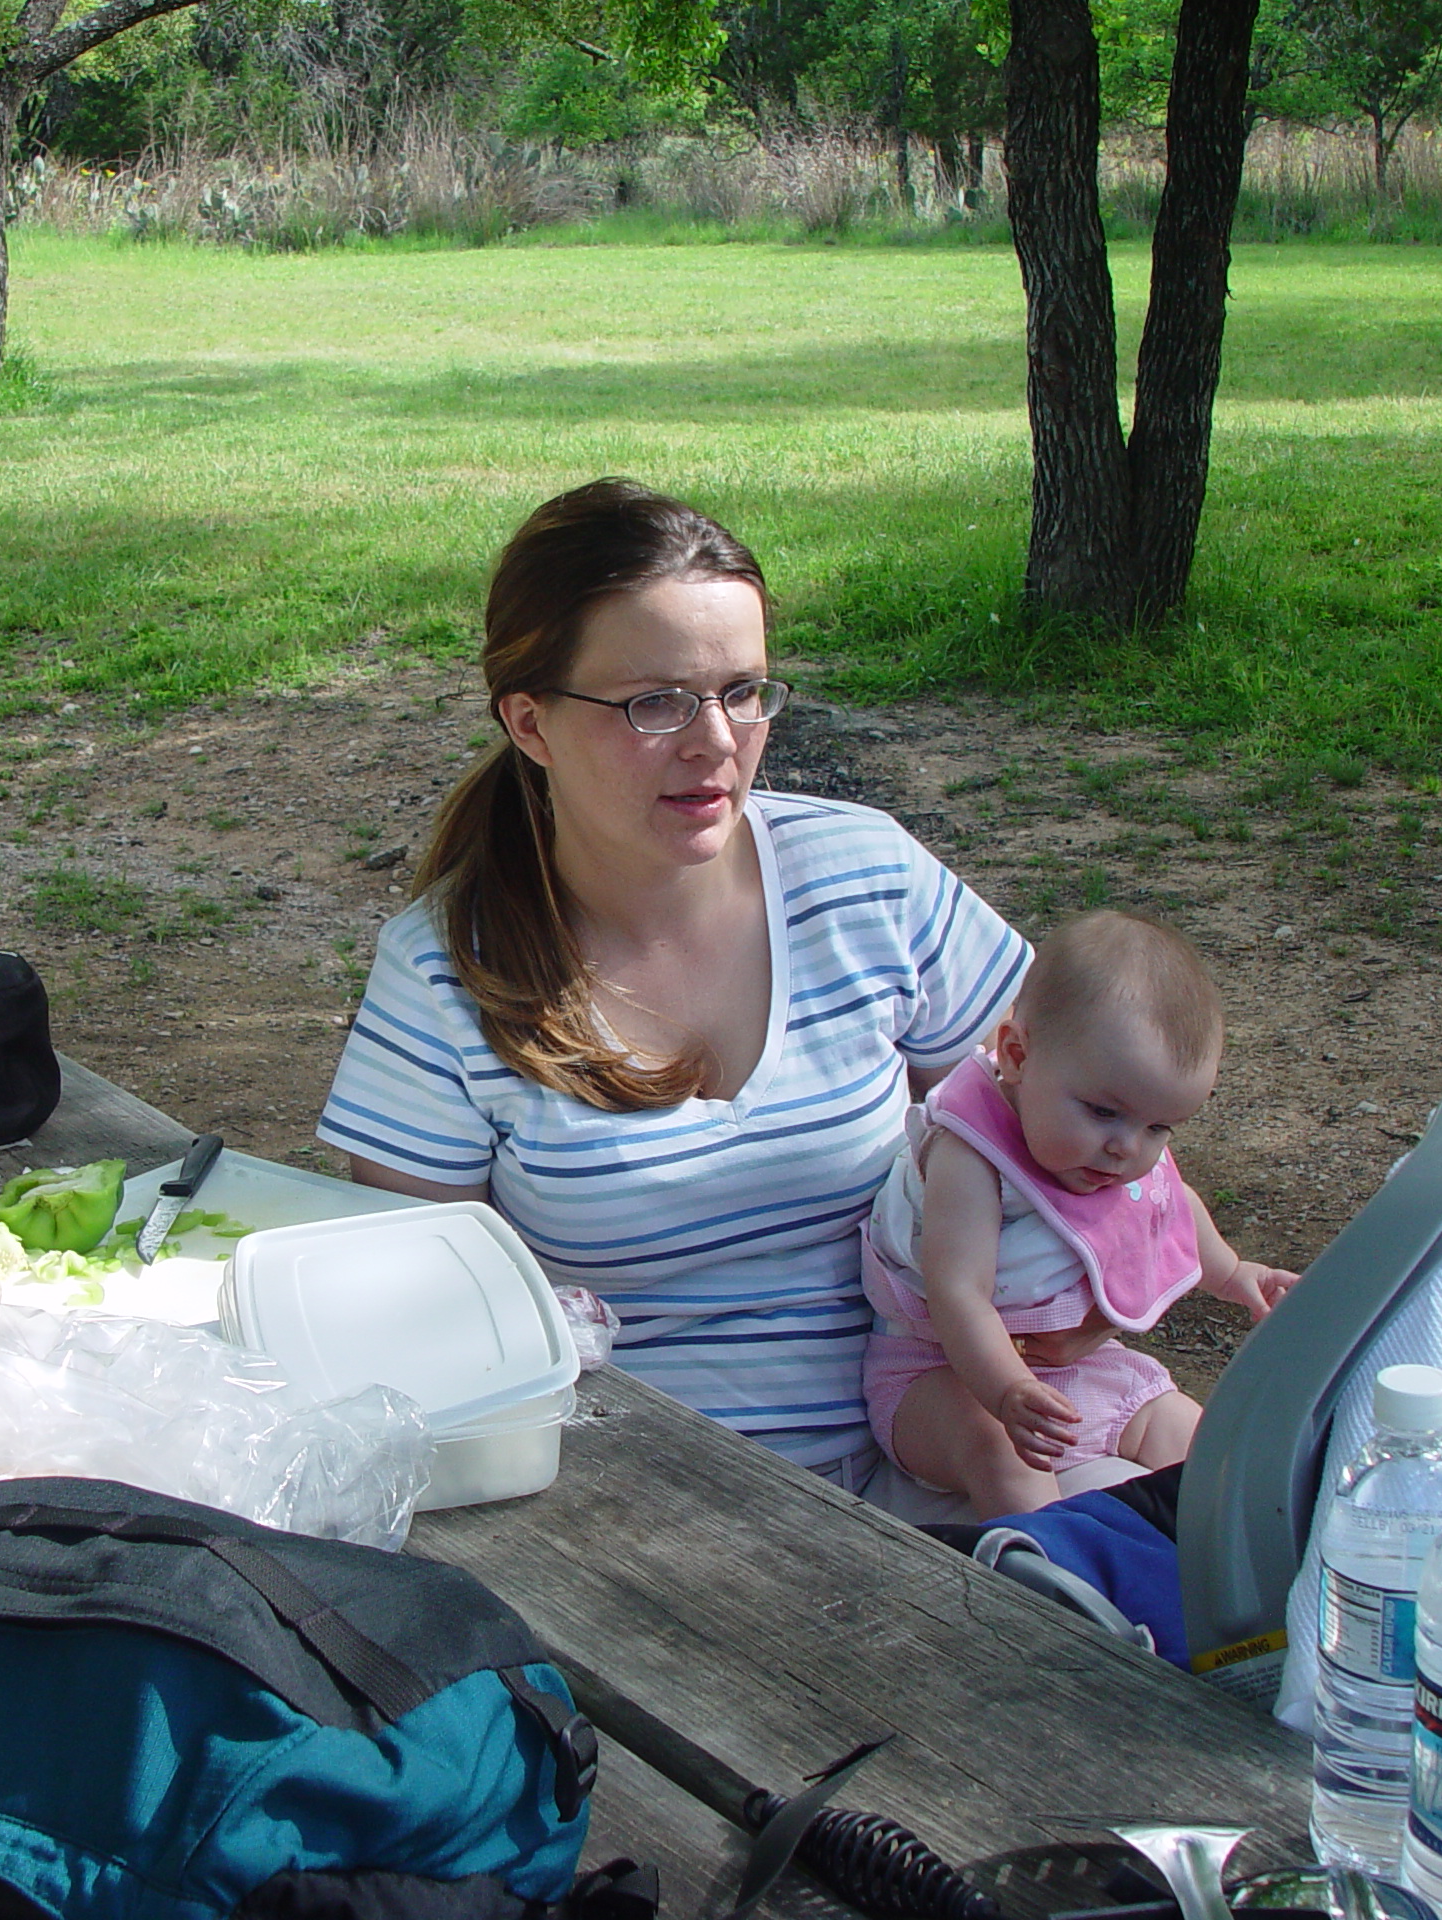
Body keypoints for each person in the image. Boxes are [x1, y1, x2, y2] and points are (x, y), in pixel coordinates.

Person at [316, 478, 1029, 1487]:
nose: (716, 742)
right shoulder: (445, 974)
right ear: (529, 723)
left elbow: (1052, 1128)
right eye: (654, 702)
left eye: (743, 690)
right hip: (627, 1514)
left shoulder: (869, 877)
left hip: (947, 1459)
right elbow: (426, 1329)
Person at [860, 909, 1300, 1518]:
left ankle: (1240, 1567)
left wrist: (1231, 1274)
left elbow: (1167, 1203)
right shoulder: (969, 1153)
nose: (1128, 1148)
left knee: (1203, 1442)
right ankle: (1053, 1572)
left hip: (1088, 1369)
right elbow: (957, 1292)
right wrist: (1007, 1391)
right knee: (1000, 1452)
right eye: (1102, 1112)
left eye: (1160, 1127)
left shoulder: (1111, 1142)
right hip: (941, 1376)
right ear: (1015, 1055)